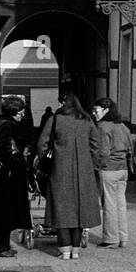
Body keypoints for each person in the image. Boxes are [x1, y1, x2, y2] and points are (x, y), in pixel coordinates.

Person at [37, 91, 101, 259]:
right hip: (83, 172)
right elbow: (96, 144)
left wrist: (44, 161)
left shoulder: (55, 119)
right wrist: (91, 164)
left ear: (64, 103)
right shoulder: (86, 120)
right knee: (80, 210)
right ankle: (75, 250)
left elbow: (42, 143)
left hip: (60, 170)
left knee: (62, 208)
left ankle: (64, 250)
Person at [0, 96, 31, 258]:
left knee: (3, 211)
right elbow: (6, 150)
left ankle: (2, 245)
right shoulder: (7, 126)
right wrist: (17, 163)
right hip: (6, 175)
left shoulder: (0, 123)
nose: (22, 114)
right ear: (13, 111)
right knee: (3, 212)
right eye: (20, 111)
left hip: (1, 173)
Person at [92, 97, 132, 249]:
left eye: (96, 110)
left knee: (108, 204)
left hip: (109, 169)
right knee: (120, 204)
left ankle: (111, 239)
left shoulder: (103, 127)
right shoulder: (122, 126)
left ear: (106, 110)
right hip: (123, 169)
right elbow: (130, 148)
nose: (94, 113)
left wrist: (98, 166)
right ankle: (123, 238)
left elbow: (103, 151)